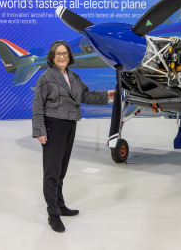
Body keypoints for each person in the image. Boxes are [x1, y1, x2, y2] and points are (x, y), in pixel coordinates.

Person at [32, 40, 115, 233]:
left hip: (70, 125)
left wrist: (108, 95)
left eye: (65, 53)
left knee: (61, 171)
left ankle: (60, 206)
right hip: (53, 126)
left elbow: (85, 95)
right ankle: (52, 214)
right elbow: (37, 106)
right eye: (58, 54)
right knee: (52, 173)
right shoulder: (45, 78)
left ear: (69, 56)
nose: (62, 57)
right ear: (52, 57)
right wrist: (40, 131)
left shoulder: (73, 77)